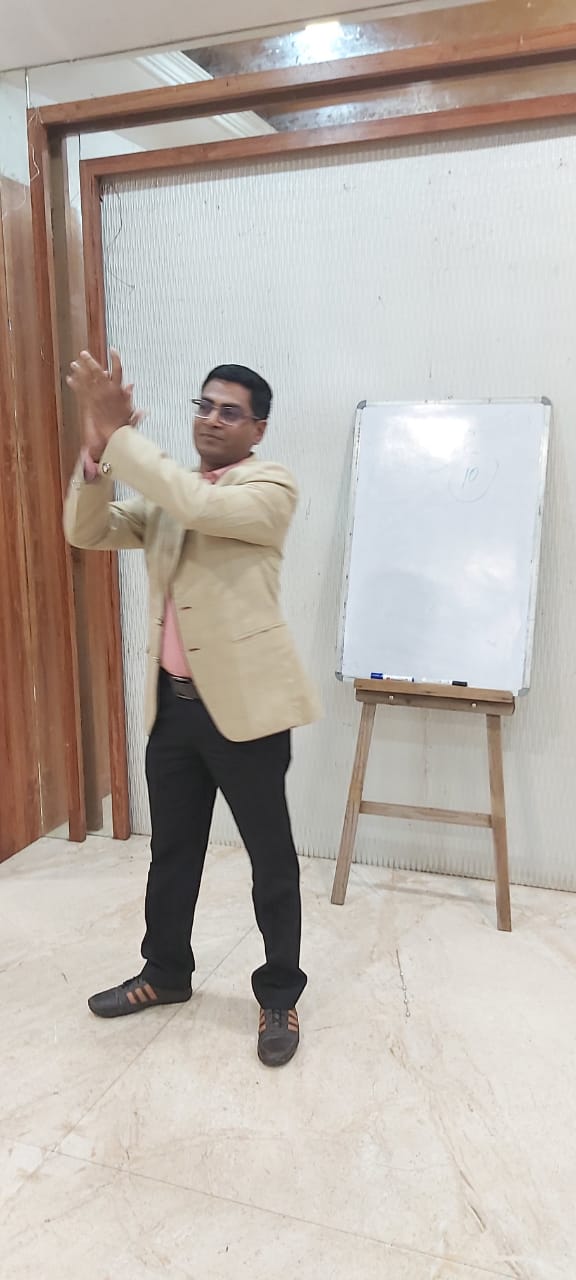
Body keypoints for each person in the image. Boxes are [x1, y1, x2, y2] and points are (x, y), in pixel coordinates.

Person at [64, 351, 320, 1067]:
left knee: (270, 860)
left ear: (257, 429)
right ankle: (166, 972)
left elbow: (199, 507)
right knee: (172, 852)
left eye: (230, 411)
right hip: (173, 711)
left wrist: (119, 437)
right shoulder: (169, 494)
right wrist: (95, 458)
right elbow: (89, 532)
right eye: (203, 405)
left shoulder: (269, 487)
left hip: (247, 713)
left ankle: (279, 994)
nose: (211, 419)